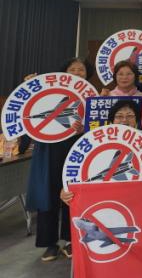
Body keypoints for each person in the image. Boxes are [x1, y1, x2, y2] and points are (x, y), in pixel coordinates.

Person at [25, 57, 93, 262]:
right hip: (49, 149)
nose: (77, 72)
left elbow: (98, 127)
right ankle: (49, 243)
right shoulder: (50, 93)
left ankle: (72, 239)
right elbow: (31, 112)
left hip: (78, 150)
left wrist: (84, 129)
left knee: (74, 194)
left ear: (87, 74)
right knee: (48, 194)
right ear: (64, 73)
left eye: (81, 70)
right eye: (73, 69)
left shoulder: (91, 96)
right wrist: (29, 86)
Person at [60, 98, 142, 206]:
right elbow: (77, 165)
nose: (124, 120)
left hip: (137, 196)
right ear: (112, 120)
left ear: (136, 120)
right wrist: (67, 189)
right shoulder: (97, 137)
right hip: (103, 197)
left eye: (130, 116)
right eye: (119, 116)